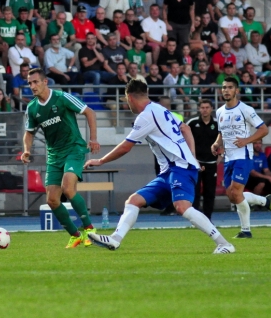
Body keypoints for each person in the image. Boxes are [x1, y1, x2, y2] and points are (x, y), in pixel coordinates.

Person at [85, 79, 234, 254]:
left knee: (182, 206)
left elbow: (126, 147)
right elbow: (185, 128)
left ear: (130, 97)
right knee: (134, 201)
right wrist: (192, 157)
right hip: (170, 170)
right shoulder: (159, 109)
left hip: (180, 167)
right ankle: (115, 239)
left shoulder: (145, 116)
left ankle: (224, 244)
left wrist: (101, 161)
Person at [21, 68, 100, 248]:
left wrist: (93, 138)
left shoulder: (62, 98)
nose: (32, 86)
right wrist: (26, 150)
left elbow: (90, 112)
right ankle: (76, 235)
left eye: (35, 82)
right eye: (30, 83)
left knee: (68, 187)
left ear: (45, 82)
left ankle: (90, 229)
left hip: (73, 148)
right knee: (52, 200)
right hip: (54, 155)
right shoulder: (32, 108)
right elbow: (29, 133)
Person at [211, 77, 271, 239]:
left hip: (243, 156)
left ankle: (246, 230)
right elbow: (222, 132)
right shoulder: (220, 111)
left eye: (229, 87)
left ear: (236, 90)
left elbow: (264, 130)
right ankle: (266, 202)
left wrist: (246, 141)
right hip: (228, 157)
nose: (226, 90)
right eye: (224, 87)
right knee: (233, 196)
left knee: (236, 192)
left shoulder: (245, 109)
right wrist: (216, 143)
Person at [186, 99, 219, 220]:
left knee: (209, 192)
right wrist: (192, 159)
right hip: (196, 163)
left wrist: (220, 157)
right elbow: (183, 140)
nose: (205, 110)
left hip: (211, 163)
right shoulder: (192, 123)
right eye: (202, 107)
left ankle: (207, 218)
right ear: (199, 109)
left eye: (207, 107)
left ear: (211, 109)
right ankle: (195, 218)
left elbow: (224, 140)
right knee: (194, 191)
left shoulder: (217, 123)